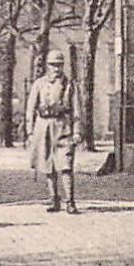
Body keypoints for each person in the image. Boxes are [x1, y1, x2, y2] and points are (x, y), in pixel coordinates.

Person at [26, 49, 79, 214]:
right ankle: (54, 199)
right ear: (47, 66)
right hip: (43, 128)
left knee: (65, 165)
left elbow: (77, 110)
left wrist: (77, 131)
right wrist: (29, 131)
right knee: (47, 164)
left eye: (59, 65)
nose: (56, 68)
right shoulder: (39, 84)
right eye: (53, 65)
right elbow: (30, 108)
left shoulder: (70, 85)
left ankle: (70, 201)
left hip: (63, 126)